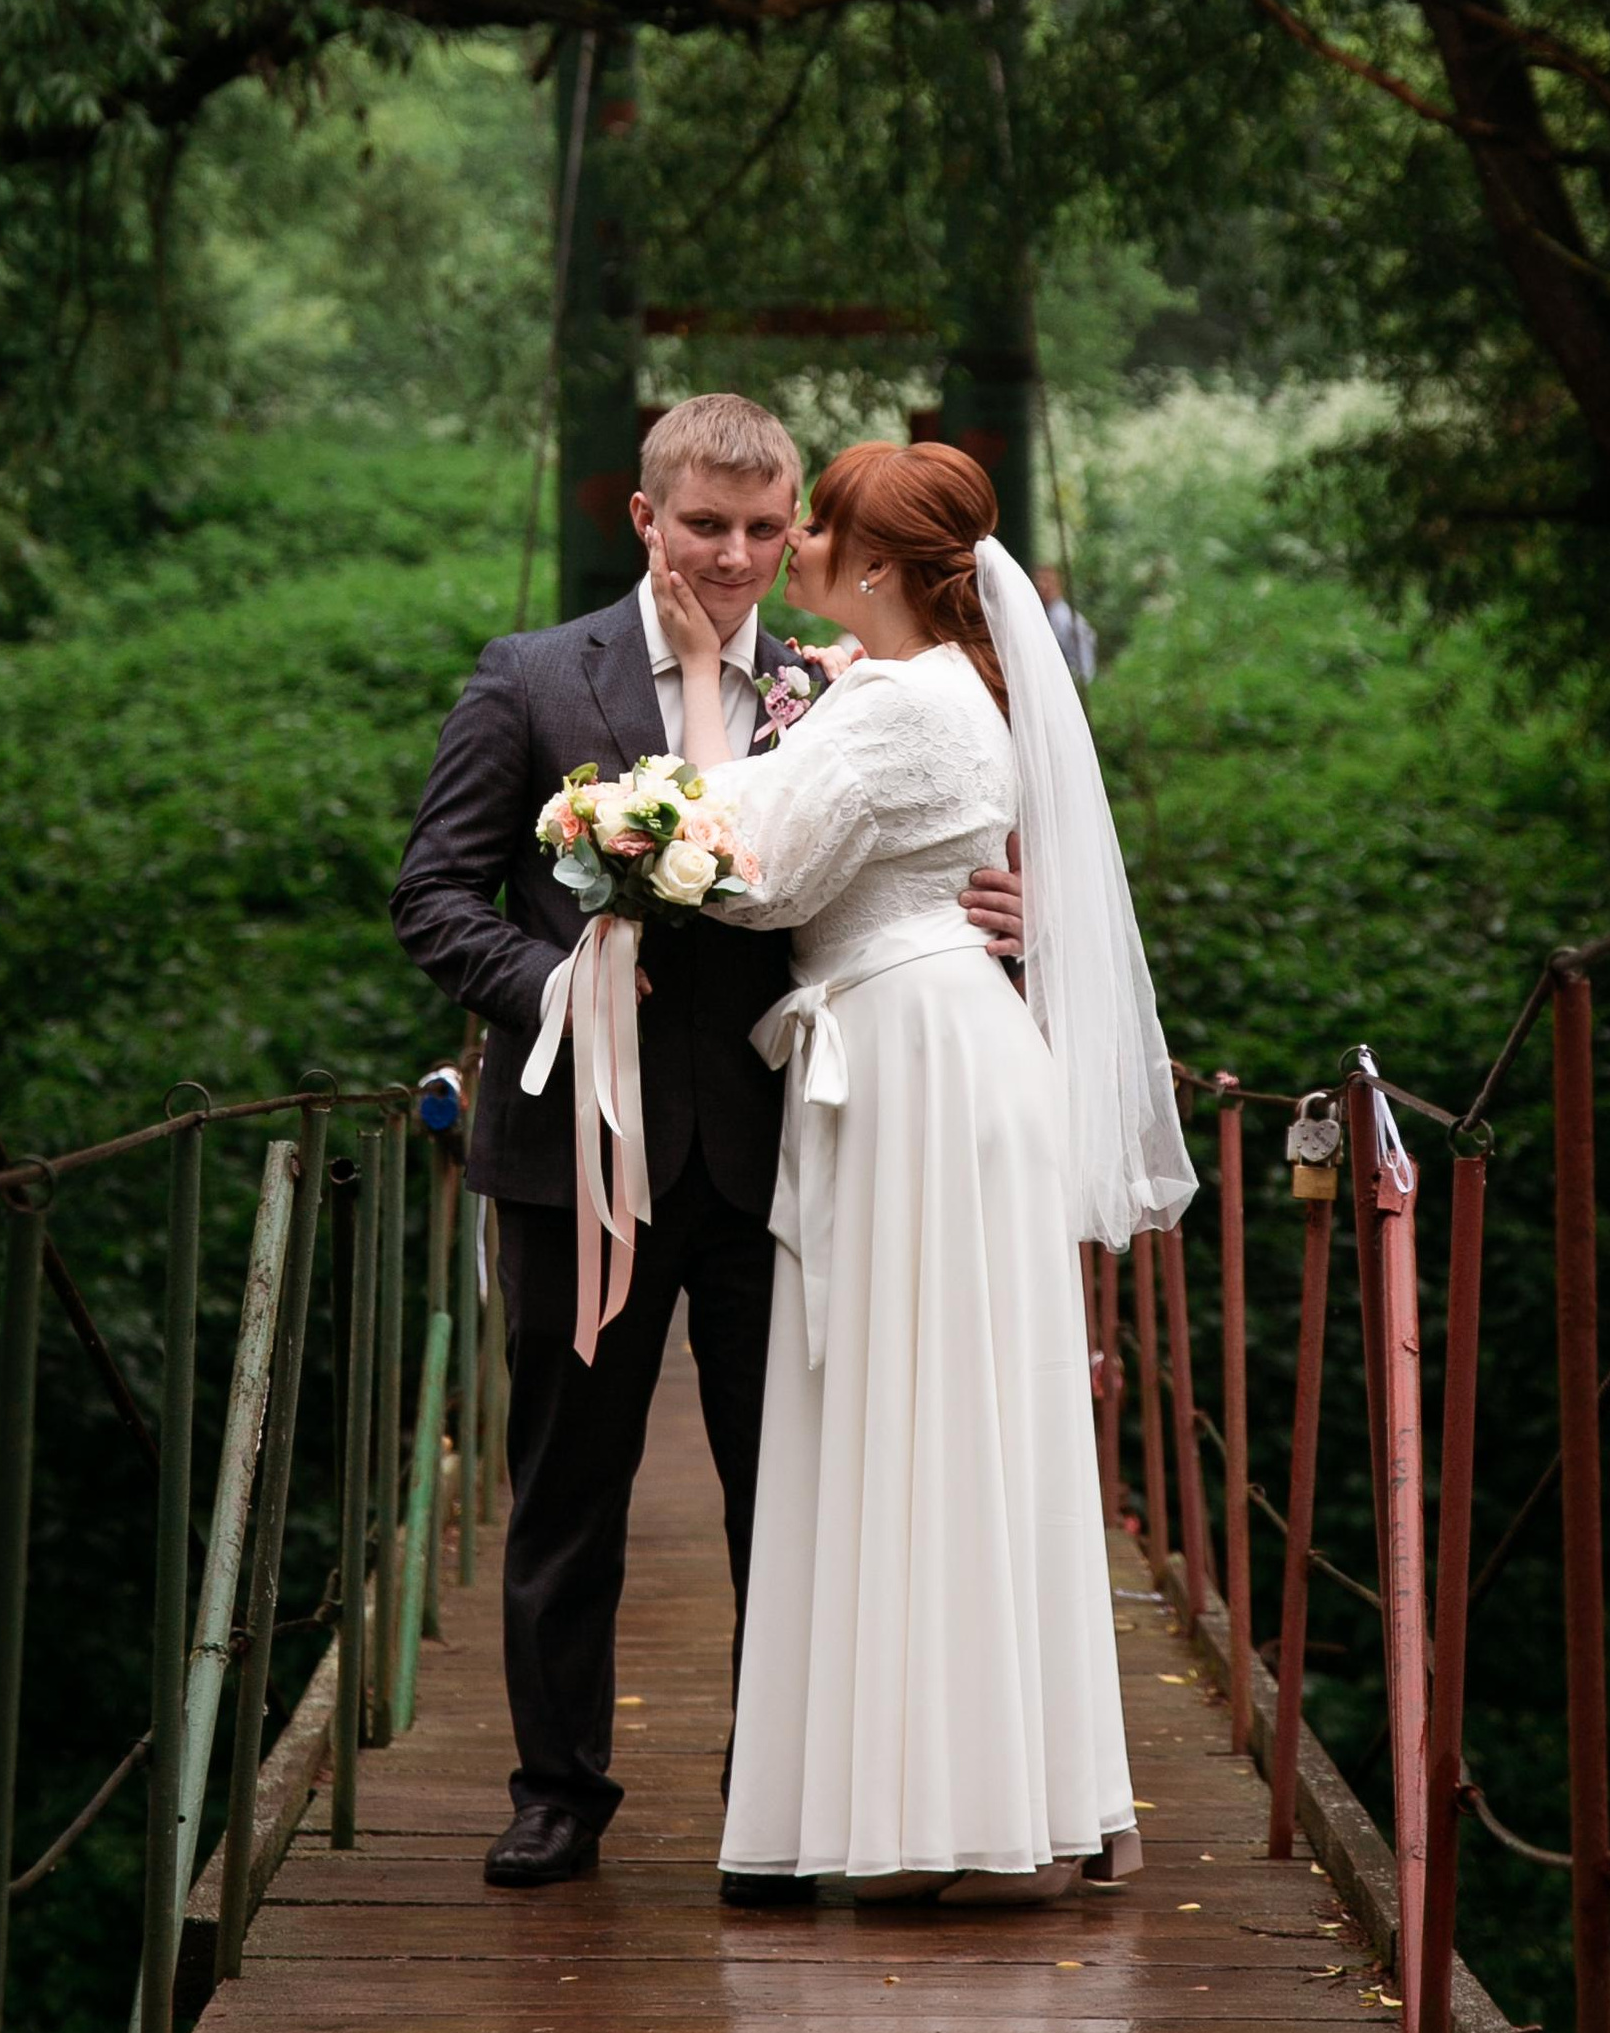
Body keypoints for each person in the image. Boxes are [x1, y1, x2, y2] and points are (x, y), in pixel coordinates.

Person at [391, 394, 1023, 1897]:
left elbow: (907, 860)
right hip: (575, 1156)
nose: (737, 557)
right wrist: (561, 990)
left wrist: (1003, 915)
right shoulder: (535, 677)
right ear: (646, 521)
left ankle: (775, 1807)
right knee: (564, 1489)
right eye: (706, 528)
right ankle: (558, 1791)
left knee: (785, 1493)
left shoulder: (838, 685)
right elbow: (434, 895)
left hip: (783, 1158)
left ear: (795, 523)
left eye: (763, 528)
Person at [656, 443, 1195, 1899]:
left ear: (877, 565)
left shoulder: (891, 705)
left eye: (817, 525)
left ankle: (923, 1816)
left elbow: (742, 869)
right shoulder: (951, 692)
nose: (799, 545)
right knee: (969, 1416)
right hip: (946, 1044)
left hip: (907, 1067)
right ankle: (1005, 1789)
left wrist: (706, 689)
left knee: (908, 1411)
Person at [1034, 559, 1100, 688]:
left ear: (1058, 583)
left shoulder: (1069, 621)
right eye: (1038, 580)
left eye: (1047, 580)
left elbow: (1085, 668)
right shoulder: (1042, 616)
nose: (1042, 585)